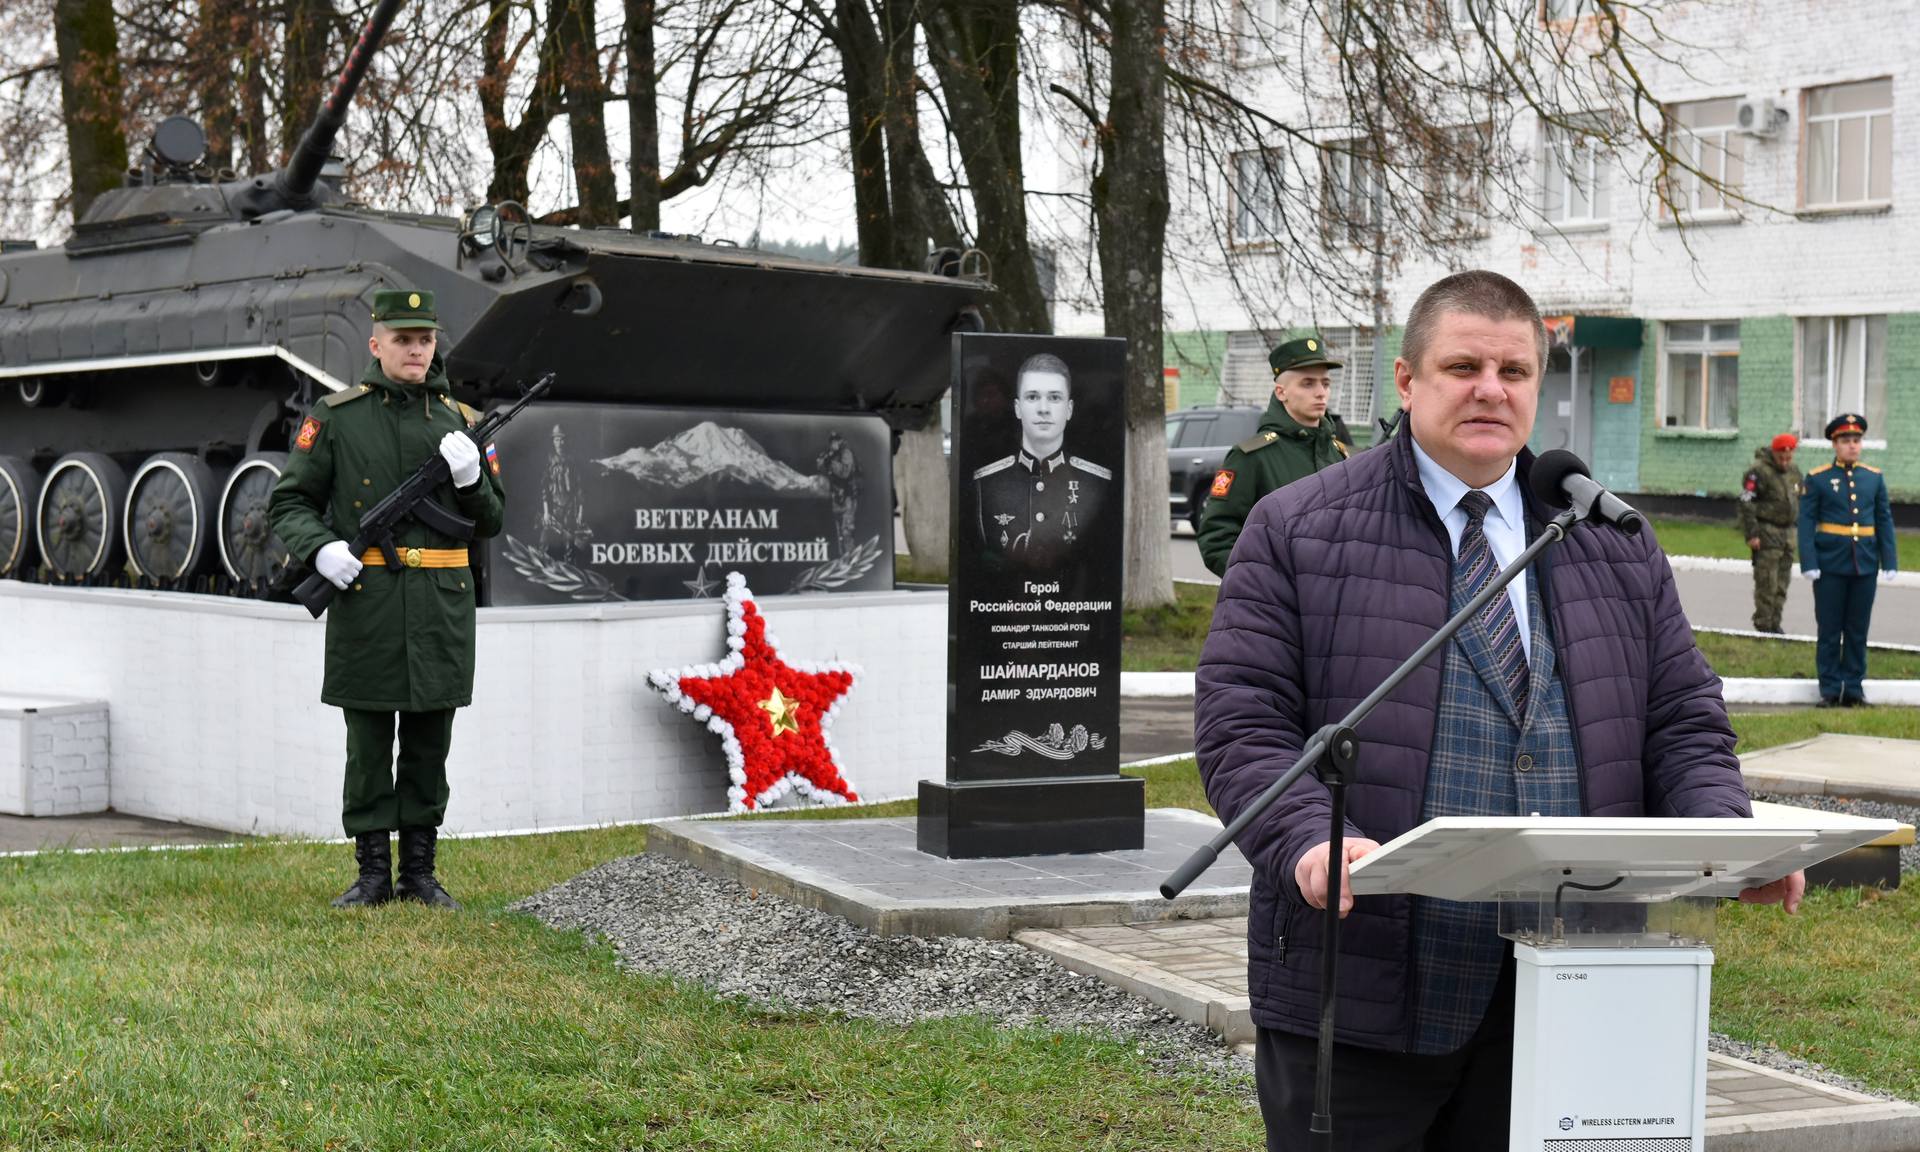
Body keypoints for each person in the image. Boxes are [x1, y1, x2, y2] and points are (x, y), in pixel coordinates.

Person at [1193, 270, 1802, 1151]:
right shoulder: (1298, 527)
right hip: (1365, 983)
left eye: (1514, 371)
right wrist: (1305, 839)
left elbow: (1681, 716)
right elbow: (1242, 721)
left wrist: (1721, 838)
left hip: (1572, 983)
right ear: (1408, 381)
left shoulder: (1607, 536)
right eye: (1464, 366)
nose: (1491, 389)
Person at [269, 288, 506, 910]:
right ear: (376, 344)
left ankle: (419, 874)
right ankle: (373, 873)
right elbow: (288, 502)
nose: (416, 350)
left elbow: (491, 520)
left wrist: (470, 479)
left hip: (441, 606)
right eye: (403, 339)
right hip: (368, 600)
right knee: (368, 744)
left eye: (425, 339)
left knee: (430, 742)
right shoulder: (338, 416)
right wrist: (322, 549)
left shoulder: (463, 421)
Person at [1197, 336, 1355, 577]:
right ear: (1281, 392)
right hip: (1276, 597)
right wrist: (1264, 584)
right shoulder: (1251, 457)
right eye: (1307, 384)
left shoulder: (1340, 455)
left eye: (1325, 383)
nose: (1320, 393)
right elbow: (1216, 538)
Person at [973, 352, 1110, 569]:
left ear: (1069, 409)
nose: (1043, 409)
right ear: (1018, 408)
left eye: (1054, 397)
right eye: (1032, 397)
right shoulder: (988, 483)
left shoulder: (1095, 483)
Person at [1798, 413, 1898, 708]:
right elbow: (1806, 523)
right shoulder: (1818, 478)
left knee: (1857, 630)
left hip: (1864, 564)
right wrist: (1809, 562)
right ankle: (1830, 689)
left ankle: (1854, 689)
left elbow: (1884, 520)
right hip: (1829, 565)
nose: (1852, 445)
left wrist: (1889, 560)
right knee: (1829, 630)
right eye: (1846, 441)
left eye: (1856, 440)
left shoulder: (1873, 478)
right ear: (1835, 444)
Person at [1739, 432, 1800, 633]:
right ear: (1774, 452)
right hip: (1766, 534)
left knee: (1782, 583)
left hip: (1788, 536)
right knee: (1767, 582)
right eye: (1781, 457)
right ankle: (1763, 625)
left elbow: (1800, 496)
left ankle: (1775, 623)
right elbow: (1746, 502)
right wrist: (1752, 534)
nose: (1785, 461)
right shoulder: (1758, 472)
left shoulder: (1793, 471)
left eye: (1788, 457)